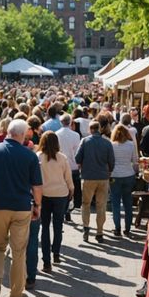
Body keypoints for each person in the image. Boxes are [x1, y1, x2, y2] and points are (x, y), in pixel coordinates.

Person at [0, 119, 42, 297]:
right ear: (22, 135)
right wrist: (37, 205)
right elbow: (37, 186)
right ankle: (16, 294)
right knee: (18, 251)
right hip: (21, 207)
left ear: (8, 133)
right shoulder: (29, 155)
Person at [36, 131, 73, 273]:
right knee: (58, 225)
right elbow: (68, 177)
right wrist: (71, 189)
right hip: (60, 194)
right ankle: (56, 253)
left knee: (44, 227)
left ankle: (46, 262)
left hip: (44, 194)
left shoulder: (38, 157)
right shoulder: (62, 158)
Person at [75, 120, 115, 243]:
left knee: (86, 204)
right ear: (99, 129)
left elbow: (77, 158)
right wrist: (109, 172)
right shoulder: (107, 143)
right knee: (101, 205)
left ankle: (86, 228)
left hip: (88, 177)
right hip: (103, 177)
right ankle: (100, 232)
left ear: (90, 129)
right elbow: (112, 161)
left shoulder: (85, 141)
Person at [110, 124, 139, 237]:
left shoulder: (111, 145)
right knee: (128, 203)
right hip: (128, 174)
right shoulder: (131, 145)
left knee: (115, 203)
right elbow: (135, 161)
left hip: (115, 175)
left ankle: (117, 228)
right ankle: (127, 228)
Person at [55, 114, 82, 222]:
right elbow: (77, 151)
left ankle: (65, 209)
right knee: (72, 189)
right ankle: (68, 209)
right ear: (70, 122)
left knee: (64, 189)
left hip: (61, 165)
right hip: (73, 165)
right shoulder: (75, 135)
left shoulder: (56, 134)